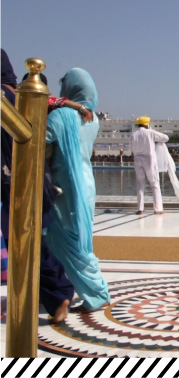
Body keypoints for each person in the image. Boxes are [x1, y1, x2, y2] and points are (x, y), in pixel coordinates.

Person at [2, 49, 76, 323]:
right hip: (37, 182)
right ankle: (54, 292)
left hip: (13, 183)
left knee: (25, 243)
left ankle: (54, 293)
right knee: (32, 242)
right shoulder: (35, 103)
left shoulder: (8, 100)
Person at [45, 68, 110, 313]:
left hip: (65, 185)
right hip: (86, 183)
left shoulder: (61, 116)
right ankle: (76, 289)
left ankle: (95, 292)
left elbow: (37, 140)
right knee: (81, 239)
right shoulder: (92, 118)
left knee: (63, 241)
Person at [131, 116, 169, 214]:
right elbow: (166, 138)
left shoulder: (134, 134)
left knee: (140, 184)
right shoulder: (150, 132)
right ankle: (158, 209)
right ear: (147, 124)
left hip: (137, 159)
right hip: (149, 159)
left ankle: (140, 208)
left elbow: (131, 148)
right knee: (154, 183)